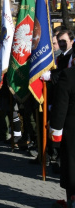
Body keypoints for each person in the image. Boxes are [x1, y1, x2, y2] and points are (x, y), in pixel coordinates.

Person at [50, 66, 75, 207]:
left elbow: (60, 106)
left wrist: (55, 137)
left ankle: (73, 201)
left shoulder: (69, 75)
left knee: (72, 166)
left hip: (72, 130)